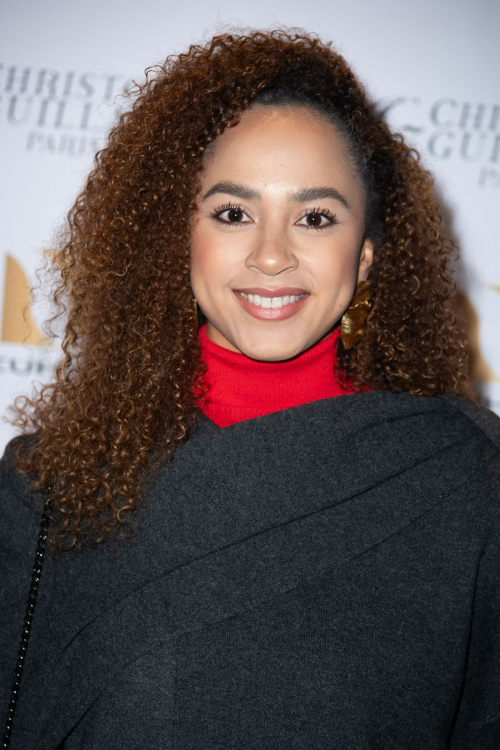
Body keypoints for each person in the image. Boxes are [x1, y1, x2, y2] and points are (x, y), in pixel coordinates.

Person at [1, 29, 499, 750]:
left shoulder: (465, 483)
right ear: (178, 237)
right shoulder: (47, 491)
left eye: (315, 217)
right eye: (232, 213)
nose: (271, 254)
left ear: (365, 258)